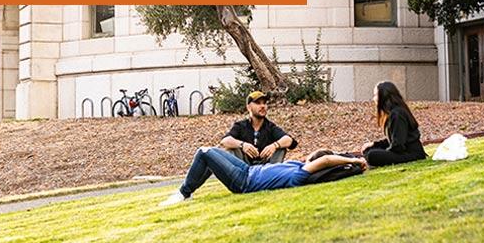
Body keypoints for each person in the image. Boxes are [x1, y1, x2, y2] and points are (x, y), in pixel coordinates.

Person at [160, 147, 367, 206]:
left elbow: (326, 160)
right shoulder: (298, 166)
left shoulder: (300, 176)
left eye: (314, 159)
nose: (312, 156)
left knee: (204, 153)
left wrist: (355, 162)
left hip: (243, 182)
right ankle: (189, 190)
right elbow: (321, 155)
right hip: (247, 170)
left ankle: (183, 193)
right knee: (210, 154)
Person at [218, 90, 297, 164]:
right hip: (244, 167)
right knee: (232, 148)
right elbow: (225, 141)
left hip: (266, 168)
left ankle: (272, 176)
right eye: (258, 103)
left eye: (264, 103)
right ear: (249, 107)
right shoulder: (240, 126)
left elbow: (289, 140)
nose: (262, 106)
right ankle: (239, 177)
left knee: (281, 147)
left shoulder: (270, 127)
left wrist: (274, 145)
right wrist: (243, 145)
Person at [360, 81, 426, 167]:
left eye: (376, 95)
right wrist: (374, 144)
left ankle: (368, 160)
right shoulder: (393, 113)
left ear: (384, 96)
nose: (374, 99)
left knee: (372, 155)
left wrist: (385, 153)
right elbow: (395, 138)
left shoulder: (397, 114)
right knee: (368, 150)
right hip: (402, 151)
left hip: (411, 154)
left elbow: (398, 146)